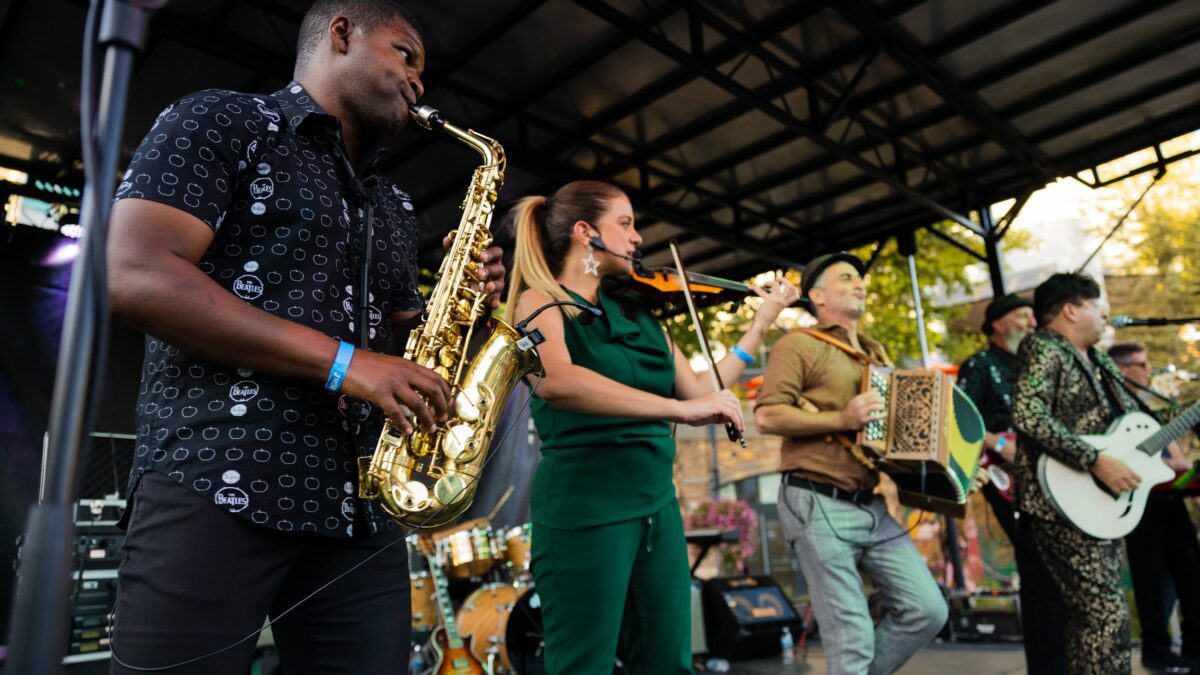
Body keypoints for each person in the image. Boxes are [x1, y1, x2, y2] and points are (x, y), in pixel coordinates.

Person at [105, 2, 508, 673]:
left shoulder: (394, 203)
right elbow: (133, 273)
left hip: (358, 507)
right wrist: (349, 363)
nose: (417, 83)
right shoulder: (224, 120)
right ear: (342, 34)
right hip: (217, 479)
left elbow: (399, 351)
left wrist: (464, 303)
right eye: (404, 54)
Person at [504, 180, 797, 674]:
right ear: (585, 232)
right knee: (583, 664)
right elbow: (557, 380)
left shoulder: (640, 315)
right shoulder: (539, 302)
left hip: (657, 505)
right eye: (625, 223)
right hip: (585, 505)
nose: (637, 237)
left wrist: (761, 322)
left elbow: (701, 387)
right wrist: (677, 411)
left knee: (669, 661)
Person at [754, 252, 948, 675]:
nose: (859, 283)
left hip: (871, 504)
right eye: (846, 278)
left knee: (928, 609)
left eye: (860, 278)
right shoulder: (799, 344)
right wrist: (842, 419)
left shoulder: (876, 354)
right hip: (815, 497)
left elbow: (896, 437)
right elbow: (767, 415)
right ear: (818, 296)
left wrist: (952, 470)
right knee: (851, 635)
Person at [1011, 272, 1143, 675]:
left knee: (1098, 618)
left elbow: (1137, 420)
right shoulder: (1045, 347)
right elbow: (1027, 414)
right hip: (1059, 501)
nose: (1104, 313)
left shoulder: (1099, 359)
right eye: (1094, 304)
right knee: (1104, 616)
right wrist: (1095, 459)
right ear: (1070, 310)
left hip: (1092, 503)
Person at [956, 293, 1068, 674]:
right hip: (1007, 477)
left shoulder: (1038, 365)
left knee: (1058, 569)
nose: (1032, 324)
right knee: (1038, 569)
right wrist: (999, 444)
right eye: (1023, 316)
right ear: (999, 324)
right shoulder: (980, 365)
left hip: (1050, 474)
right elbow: (960, 417)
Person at [1108, 342, 1200, 672]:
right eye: (1142, 365)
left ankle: (1193, 649)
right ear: (1122, 369)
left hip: (1167, 497)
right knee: (1148, 578)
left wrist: (1184, 466)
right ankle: (1156, 650)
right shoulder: (1110, 406)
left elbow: (1173, 458)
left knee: (1191, 569)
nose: (1148, 371)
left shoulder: (1147, 408)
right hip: (1137, 500)